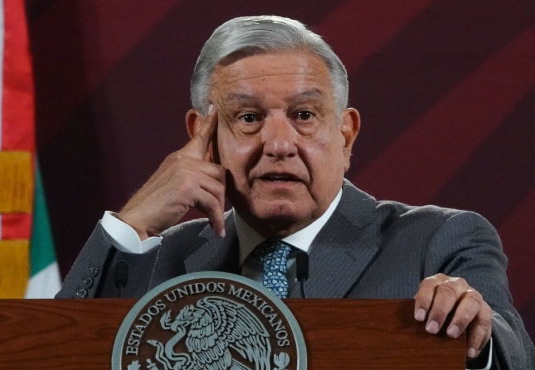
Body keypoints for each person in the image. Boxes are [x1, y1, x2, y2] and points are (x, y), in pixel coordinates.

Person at [56, 15, 534, 369]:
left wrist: (476, 334)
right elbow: (54, 354)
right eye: (248, 118)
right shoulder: (164, 258)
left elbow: (513, 354)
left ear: (345, 136)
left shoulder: (439, 241)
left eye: (304, 115)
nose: (279, 144)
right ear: (202, 134)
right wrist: (130, 224)